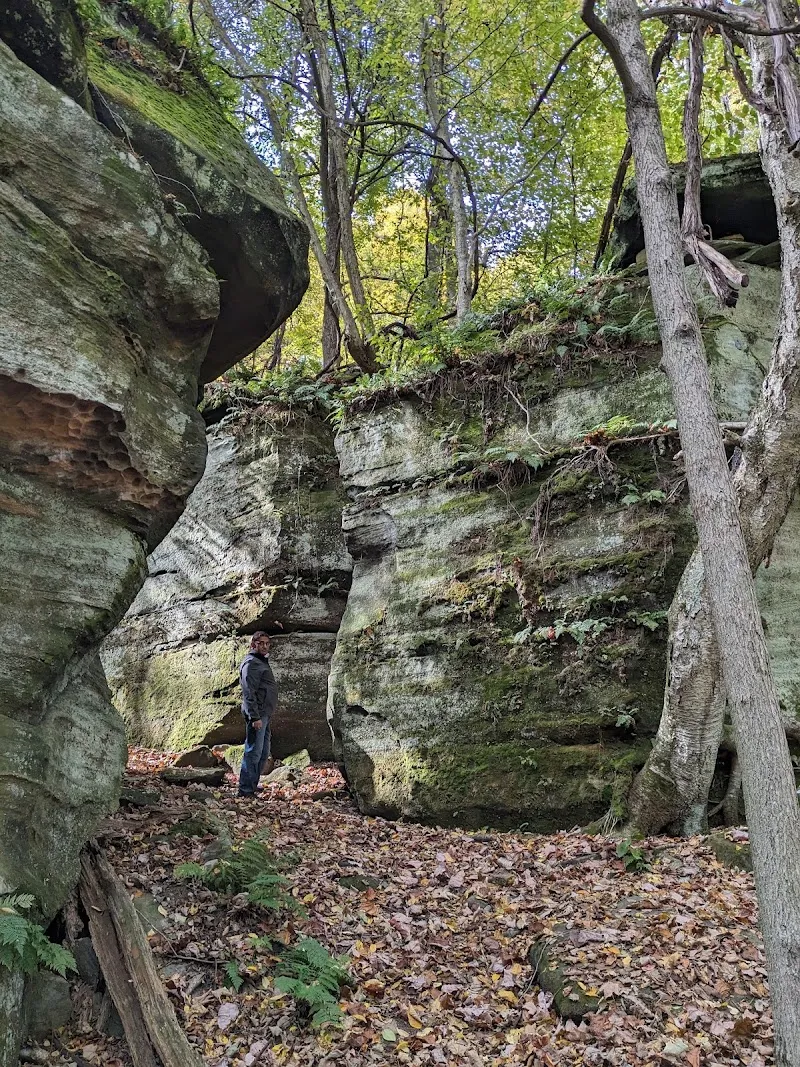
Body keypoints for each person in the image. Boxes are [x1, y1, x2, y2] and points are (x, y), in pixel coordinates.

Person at [237, 632, 278, 798]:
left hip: (265, 714)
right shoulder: (252, 663)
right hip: (258, 715)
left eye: (267, 643)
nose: (265, 646)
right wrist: (254, 717)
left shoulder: (260, 662)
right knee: (253, 751)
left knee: (262, 752)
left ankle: (252, 784)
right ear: (253, 644)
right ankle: (245, 790)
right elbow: (248, 692)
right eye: (261, 643)